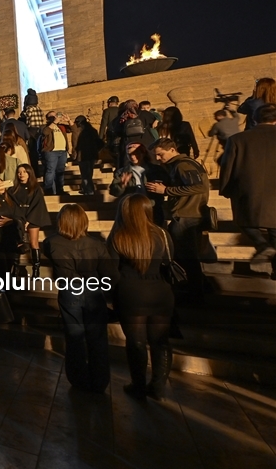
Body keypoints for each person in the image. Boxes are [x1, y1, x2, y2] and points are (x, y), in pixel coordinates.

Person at [108, 194, 175, 400]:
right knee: (160, 342)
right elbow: (168, 262)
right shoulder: (162, 234)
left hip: (131, 293)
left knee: (136, 342)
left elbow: (111, 271)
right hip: (160, 292)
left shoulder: (118, 236)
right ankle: (158, 387)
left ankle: (138, 385)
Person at [43, 204, 112, 392]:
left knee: (74, 338)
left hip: (69, 290)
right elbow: (108, 271)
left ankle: (78, 379)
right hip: (93, 289)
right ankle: (99, 381)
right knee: (97, 338)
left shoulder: (51, 242)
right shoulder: (97, 245)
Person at [146, 138, 209, 300]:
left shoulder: (183, 164)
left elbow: (199, 186)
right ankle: (198, 287)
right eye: (156, 156)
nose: (159, 158)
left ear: (172, 150)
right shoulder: (179, 164)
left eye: (160, 154)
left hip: (187, 215)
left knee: (187, 255)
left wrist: (166, 190)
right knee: (186, 254)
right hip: (187, 213)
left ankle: (196, 292)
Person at [220, 103, 276, 268]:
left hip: (247, 190)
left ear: (254, 118)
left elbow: (227, 166)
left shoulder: (237, 139)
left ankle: (262, 245)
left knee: (244, 222)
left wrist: (225, 189)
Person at [40, 112, 70, 195]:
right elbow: (45, 132)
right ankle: (48, 190)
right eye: (52, 116)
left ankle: (60, 190)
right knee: (50, 171)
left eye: (55, 115)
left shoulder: (61, 126)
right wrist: (54, 122)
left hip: (62, 151)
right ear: (48, 118)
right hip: (51, 152)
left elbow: (72, 129)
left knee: (60, 171)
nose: (55, 117)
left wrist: (69, 121)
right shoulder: (45, 126)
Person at [72, 115, 104, 195]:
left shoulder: (80, 131)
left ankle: (89, 190)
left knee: (85, 174)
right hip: (92, 155)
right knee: (89, 173)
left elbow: (76, 144)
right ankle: (86, 188)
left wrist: (74, 153)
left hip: (83, 156)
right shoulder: (93, 130)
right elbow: (99, 143)